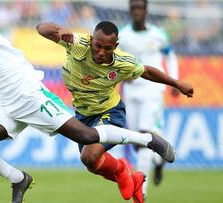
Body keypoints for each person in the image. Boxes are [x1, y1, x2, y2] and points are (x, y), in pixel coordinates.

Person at [0, 2, 177, 203]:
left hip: (30, 95)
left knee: (86, 136)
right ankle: (18, 179)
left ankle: (147, 140)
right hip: (7, 105)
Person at [36, 19, 193, 203]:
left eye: (107, 48)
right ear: (91, 39)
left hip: (109, 112)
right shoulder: (78, 44)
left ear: (115, 46)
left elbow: (148, 72)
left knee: (89, 155)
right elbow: (41, 29)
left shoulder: (122, 62)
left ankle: (148, 139)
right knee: (91, 163)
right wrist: (60, 29)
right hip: (83, 115)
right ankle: (127, 174)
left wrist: (177, 83)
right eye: (98, 46)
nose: (101, 52)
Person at [119, 0, 180, 199]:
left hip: (152, 91)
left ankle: (141, 191)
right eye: (133, 8)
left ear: (146, 11)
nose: (136, 12)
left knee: (146, 133)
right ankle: (159, 161)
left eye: (140, 8)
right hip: (131, 91)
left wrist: (174, 80)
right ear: (130, 11)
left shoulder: (158, 35)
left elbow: (170, 56)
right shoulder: (123, 35)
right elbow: (116, 59)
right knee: (139, 142)